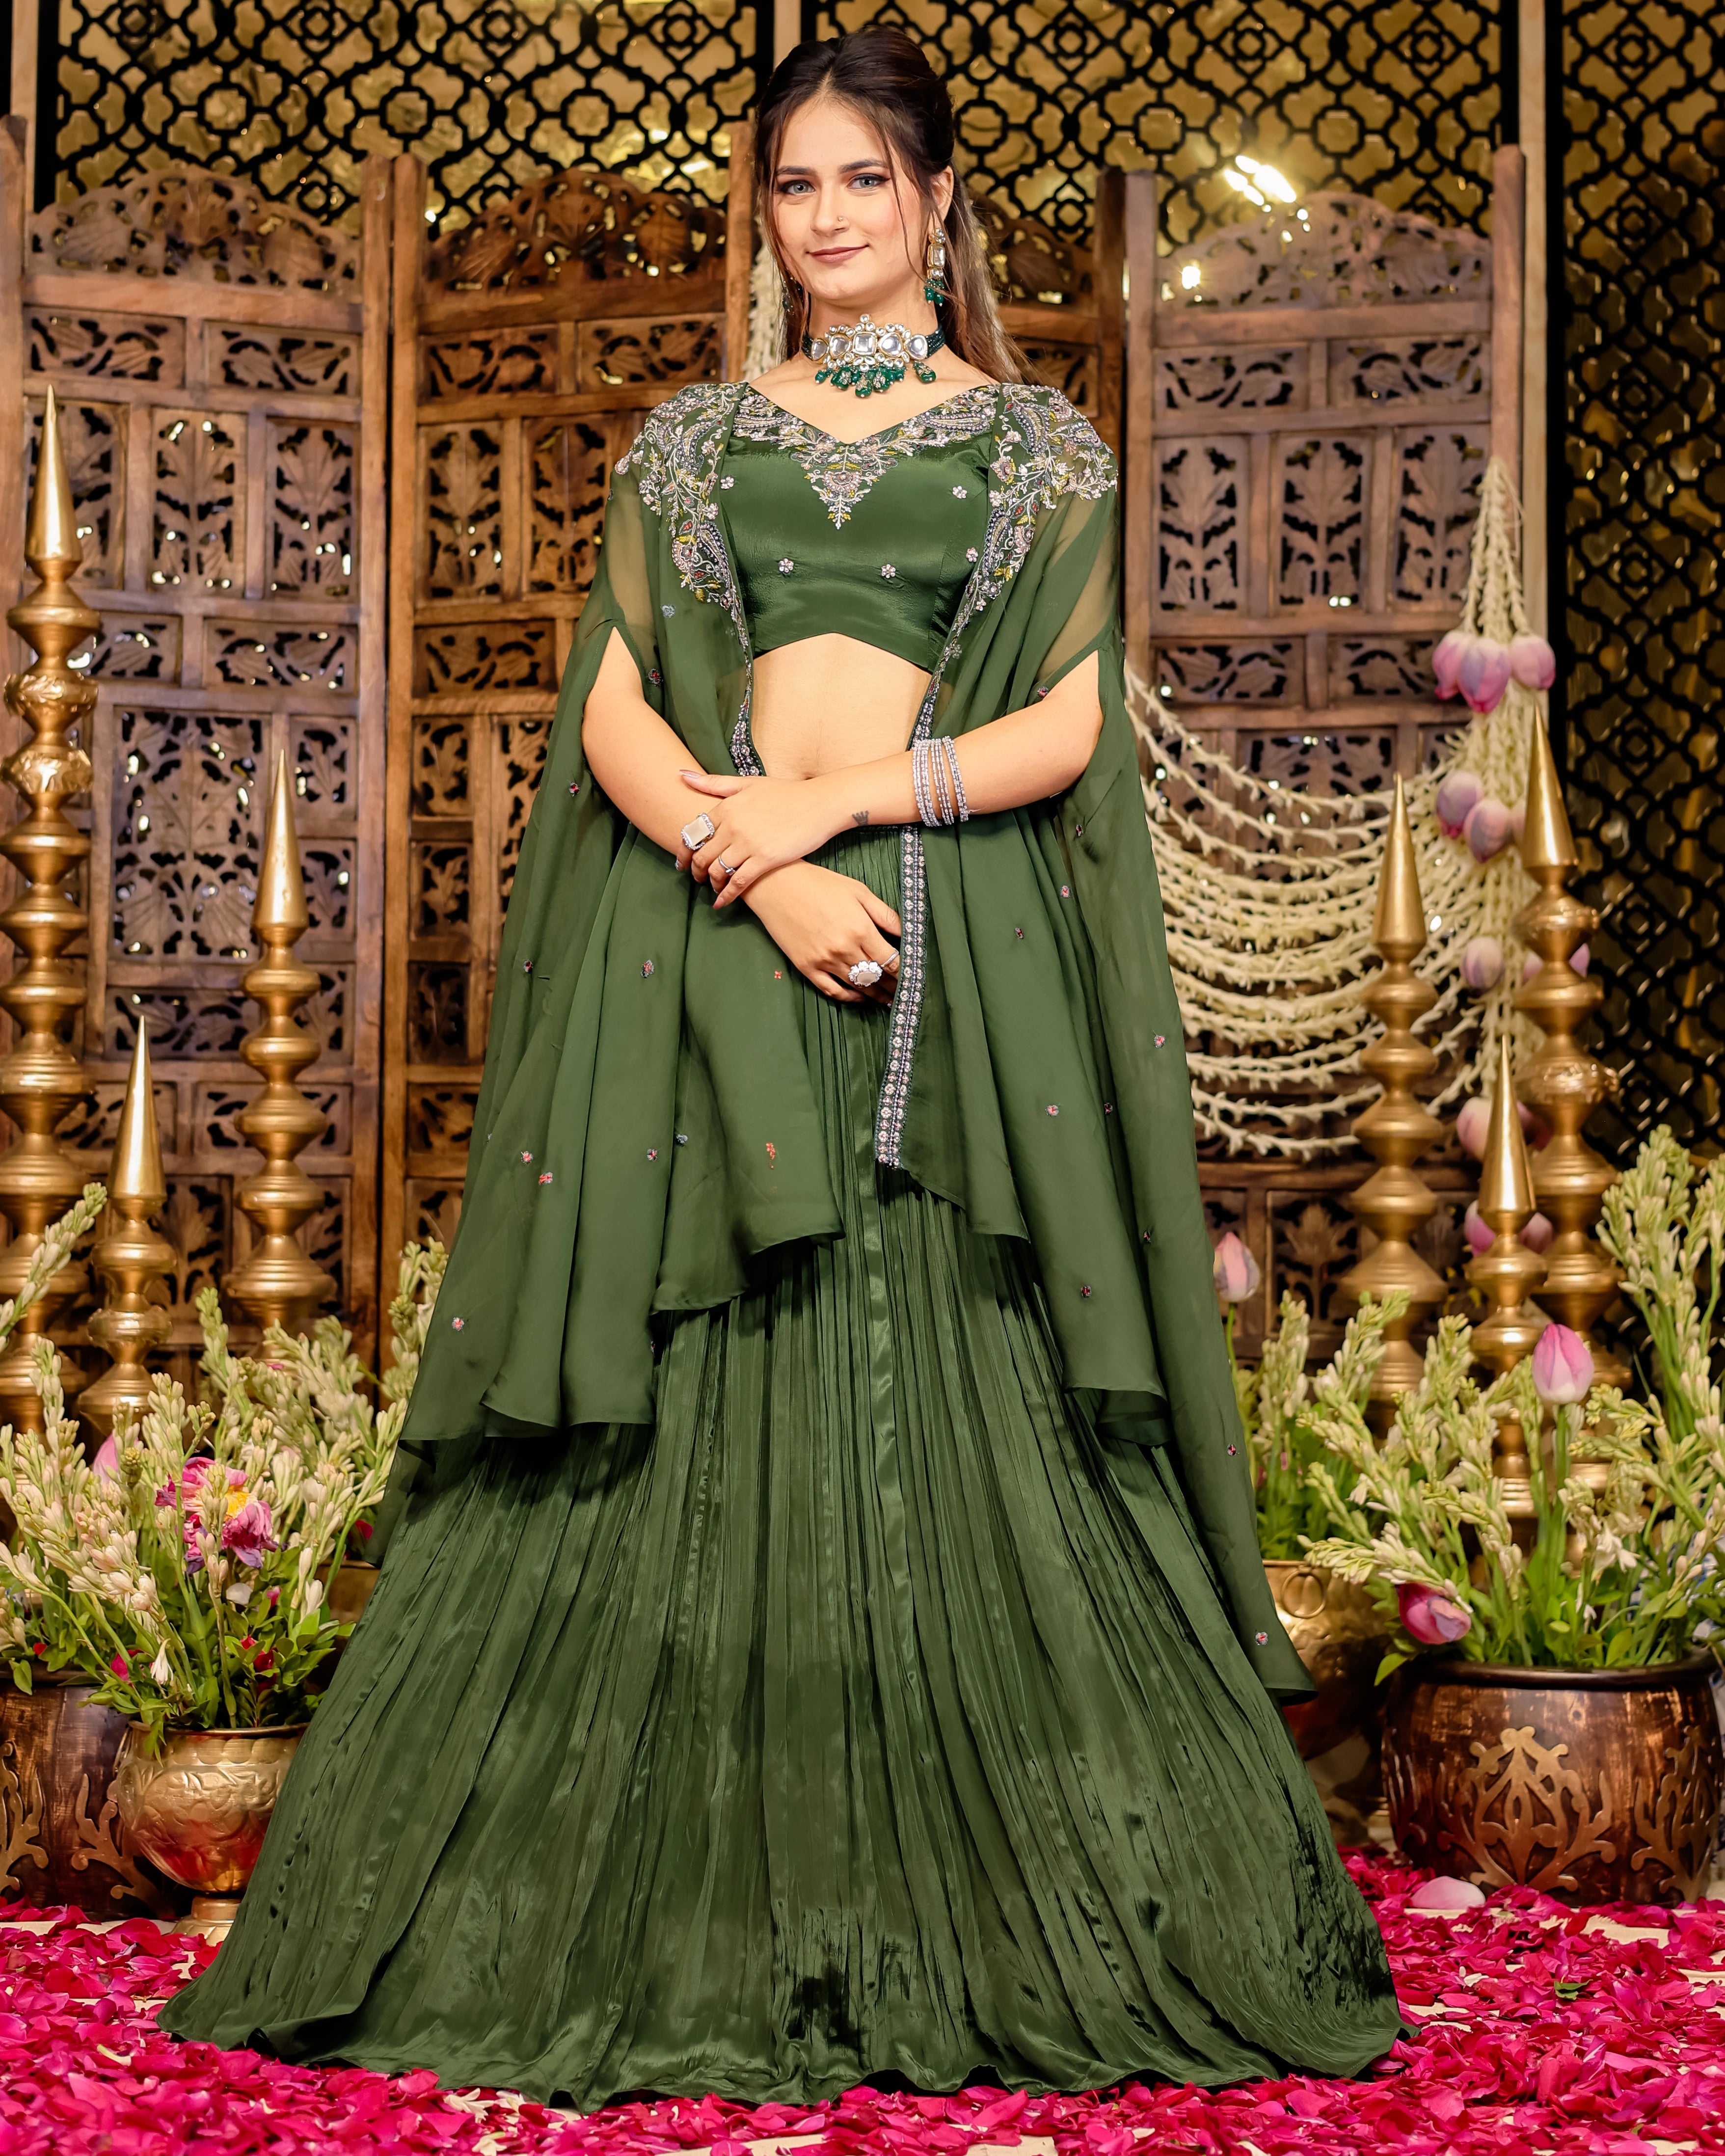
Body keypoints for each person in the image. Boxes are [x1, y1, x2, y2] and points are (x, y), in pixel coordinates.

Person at [163, 27, 1404, 2105]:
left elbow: (1067, 720)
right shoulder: (689, 440)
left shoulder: (1039, 449)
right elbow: (617, 701)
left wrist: (844, 813)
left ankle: (989, 1904)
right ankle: (641, 1908)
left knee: (958, 1371)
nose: (826, 217)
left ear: (935, 199)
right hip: (712, 943)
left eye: (862, 179)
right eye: (795, 184)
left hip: (943, 950)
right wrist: (749, 857)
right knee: (684, 1353)